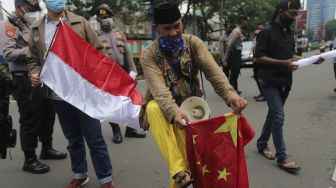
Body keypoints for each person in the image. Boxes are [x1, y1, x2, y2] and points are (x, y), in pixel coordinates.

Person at [140, 2, 248, 187]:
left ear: (182, 22)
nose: (173, 32)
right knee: (152, 107)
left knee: (196, 164)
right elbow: (160, 91)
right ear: (156, 29)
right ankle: (179, 171)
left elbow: (214, 73)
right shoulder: (148, 55)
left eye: (177, 26)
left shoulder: (193, 43)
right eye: (167, 28)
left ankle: (180, 174)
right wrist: (175, 113)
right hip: (166, 112)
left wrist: (231, 95)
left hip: (193, 109)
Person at [28, 0, 113, 187]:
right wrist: (34, 73)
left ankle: (106, 178)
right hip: (58, 94)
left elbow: (99, 51)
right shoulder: (36, 29)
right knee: (73, 139)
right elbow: (33, 60)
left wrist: (95, 77)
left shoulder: (79, 22)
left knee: (94, 138)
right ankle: (80, 174)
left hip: (84, 92)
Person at [255, 0, 323, 174]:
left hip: (285, 81)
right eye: (292, 14)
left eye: (296, 14)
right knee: (278, 116)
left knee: (273, 115)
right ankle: (282, 157)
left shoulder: (289, 31)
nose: (294, 17)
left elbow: (291, 55)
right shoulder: (266, 32)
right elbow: (259, 57)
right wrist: (282, 63)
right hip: (268, 80)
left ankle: (262, 144)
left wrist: (311, 60)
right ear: (281, 11)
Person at [2, 0, 67, 174]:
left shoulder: (31, 25)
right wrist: (34, 50)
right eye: (29, 8)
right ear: (20, 6)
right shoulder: (8, 26)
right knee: (30, 118)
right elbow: (8, 53)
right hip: (24, 78)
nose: (31, 11)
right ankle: (29, 159)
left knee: (48, 114)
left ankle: (47, 147)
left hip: (44, 77)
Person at [94, 4, 146, 144]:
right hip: (108, 75)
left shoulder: (119, 34)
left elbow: (128, 54)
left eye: (108, 17)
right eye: (103, 17)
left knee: (129, 101)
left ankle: (131, 130)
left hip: (123, 72)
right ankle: (116, 132)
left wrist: (133, 71)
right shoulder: (96, 36)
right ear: (98, 19)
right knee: (112, 104)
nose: (106, 20)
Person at [223, 16, 248, 94]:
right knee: (234, 73)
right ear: (242, 21)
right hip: (234, 54)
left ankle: (235, 90)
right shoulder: (236, 31)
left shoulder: (238, 31)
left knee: (235, 72)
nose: (247, 23)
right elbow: (230, 45)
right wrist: (226, 57)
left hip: (235, 54)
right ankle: (231, 91)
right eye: (246, 21)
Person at [252, 24, 266, 102]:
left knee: (261, 78)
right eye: (258, 28)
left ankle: (264, 94)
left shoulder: (264, 39)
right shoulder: (255, 38)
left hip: (261, 61)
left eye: (260, 29)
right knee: (256, 77)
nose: (258, 30)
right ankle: (261, 93)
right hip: (255, 60)